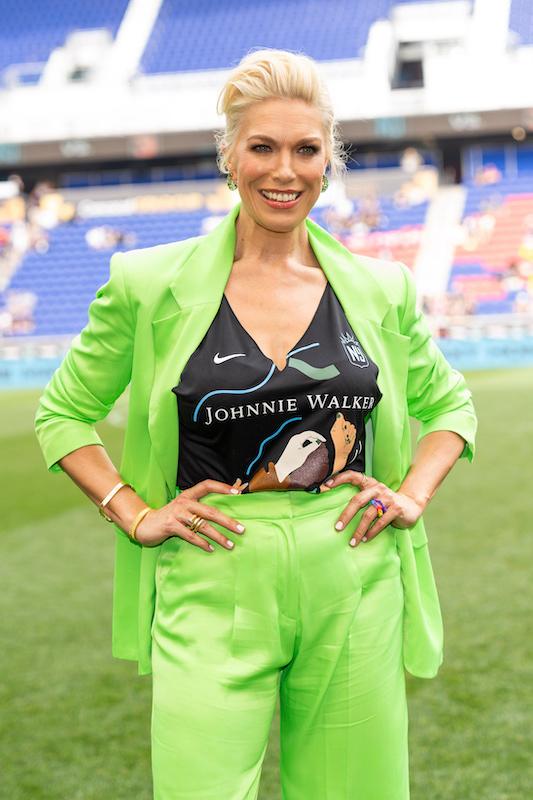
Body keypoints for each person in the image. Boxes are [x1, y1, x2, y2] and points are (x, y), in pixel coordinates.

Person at [35, 49, 477, 800]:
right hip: (210, 579)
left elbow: (450, 407)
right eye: (262, 147)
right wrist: (134, 513)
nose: (285, 170)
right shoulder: (147, 284)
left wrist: (414, 494)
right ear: (228, 157)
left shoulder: (380, 286)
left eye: (306, 149)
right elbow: (63, 413)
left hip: (351, 570)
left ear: (327, 162)